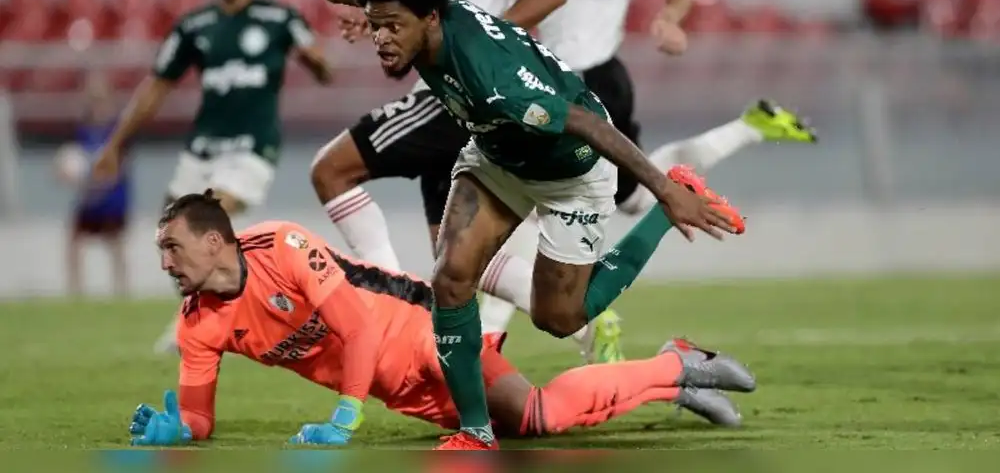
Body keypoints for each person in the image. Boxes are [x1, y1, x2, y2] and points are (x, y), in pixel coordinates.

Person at [299, 0, 744, 450]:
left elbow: (583, 122)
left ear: (429, 18)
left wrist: (663, 190)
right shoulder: (428, 11)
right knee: (451, 280)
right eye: (375, 24)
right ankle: (475, 431)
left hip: (570, 171)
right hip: (496, 158)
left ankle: (672, 203)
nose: (381, 37)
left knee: (560, 319)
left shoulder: (494, 82)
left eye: (392, 26)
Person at [126, 192, 755, 448]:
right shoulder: (197, 325)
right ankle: (677, 372)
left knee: (538, 414)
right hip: (398, 389)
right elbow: (201, 417)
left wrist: (345, 414)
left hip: (426, 333)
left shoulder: (283, 247)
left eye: (171, 247)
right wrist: (177, 429)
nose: (164, 263)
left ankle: (674, 365)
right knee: (527, 431)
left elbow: (360, 328)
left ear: (214, 242)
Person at [476, 0, 819, 358]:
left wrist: (671, 18)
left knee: (524, 200)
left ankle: (493, 342)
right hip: (557, 77)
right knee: (632, 198)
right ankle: (748, 127)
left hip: (592, 84)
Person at [305, 0, 628, 364]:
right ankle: (591, 323)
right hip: (454, 95)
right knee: (455, 260)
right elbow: (421, 4)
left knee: (331, 169)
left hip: (457, 95)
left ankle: (391, 310)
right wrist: (355, 2)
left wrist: (487, 55)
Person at [90, 0, 333, 353]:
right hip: (202, 149)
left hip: (252, 147)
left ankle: (256, 312)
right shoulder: (194, 26)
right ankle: (203, 318)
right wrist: (115, 144)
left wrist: (316, 61)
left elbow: (325, 67)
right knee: (171, 235)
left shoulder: (280, 19)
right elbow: (156, 87)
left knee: (206, 216)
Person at [56, 75, 131, 297]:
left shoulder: (117, 130)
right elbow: (71, 160)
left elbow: (118, 167)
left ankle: (122, 291)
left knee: (115, 243)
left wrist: (96, 177)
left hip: (112, 198)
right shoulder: (82, 130)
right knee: (74, 242)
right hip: (89, 198)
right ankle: (76, 293)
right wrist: (64, 173)